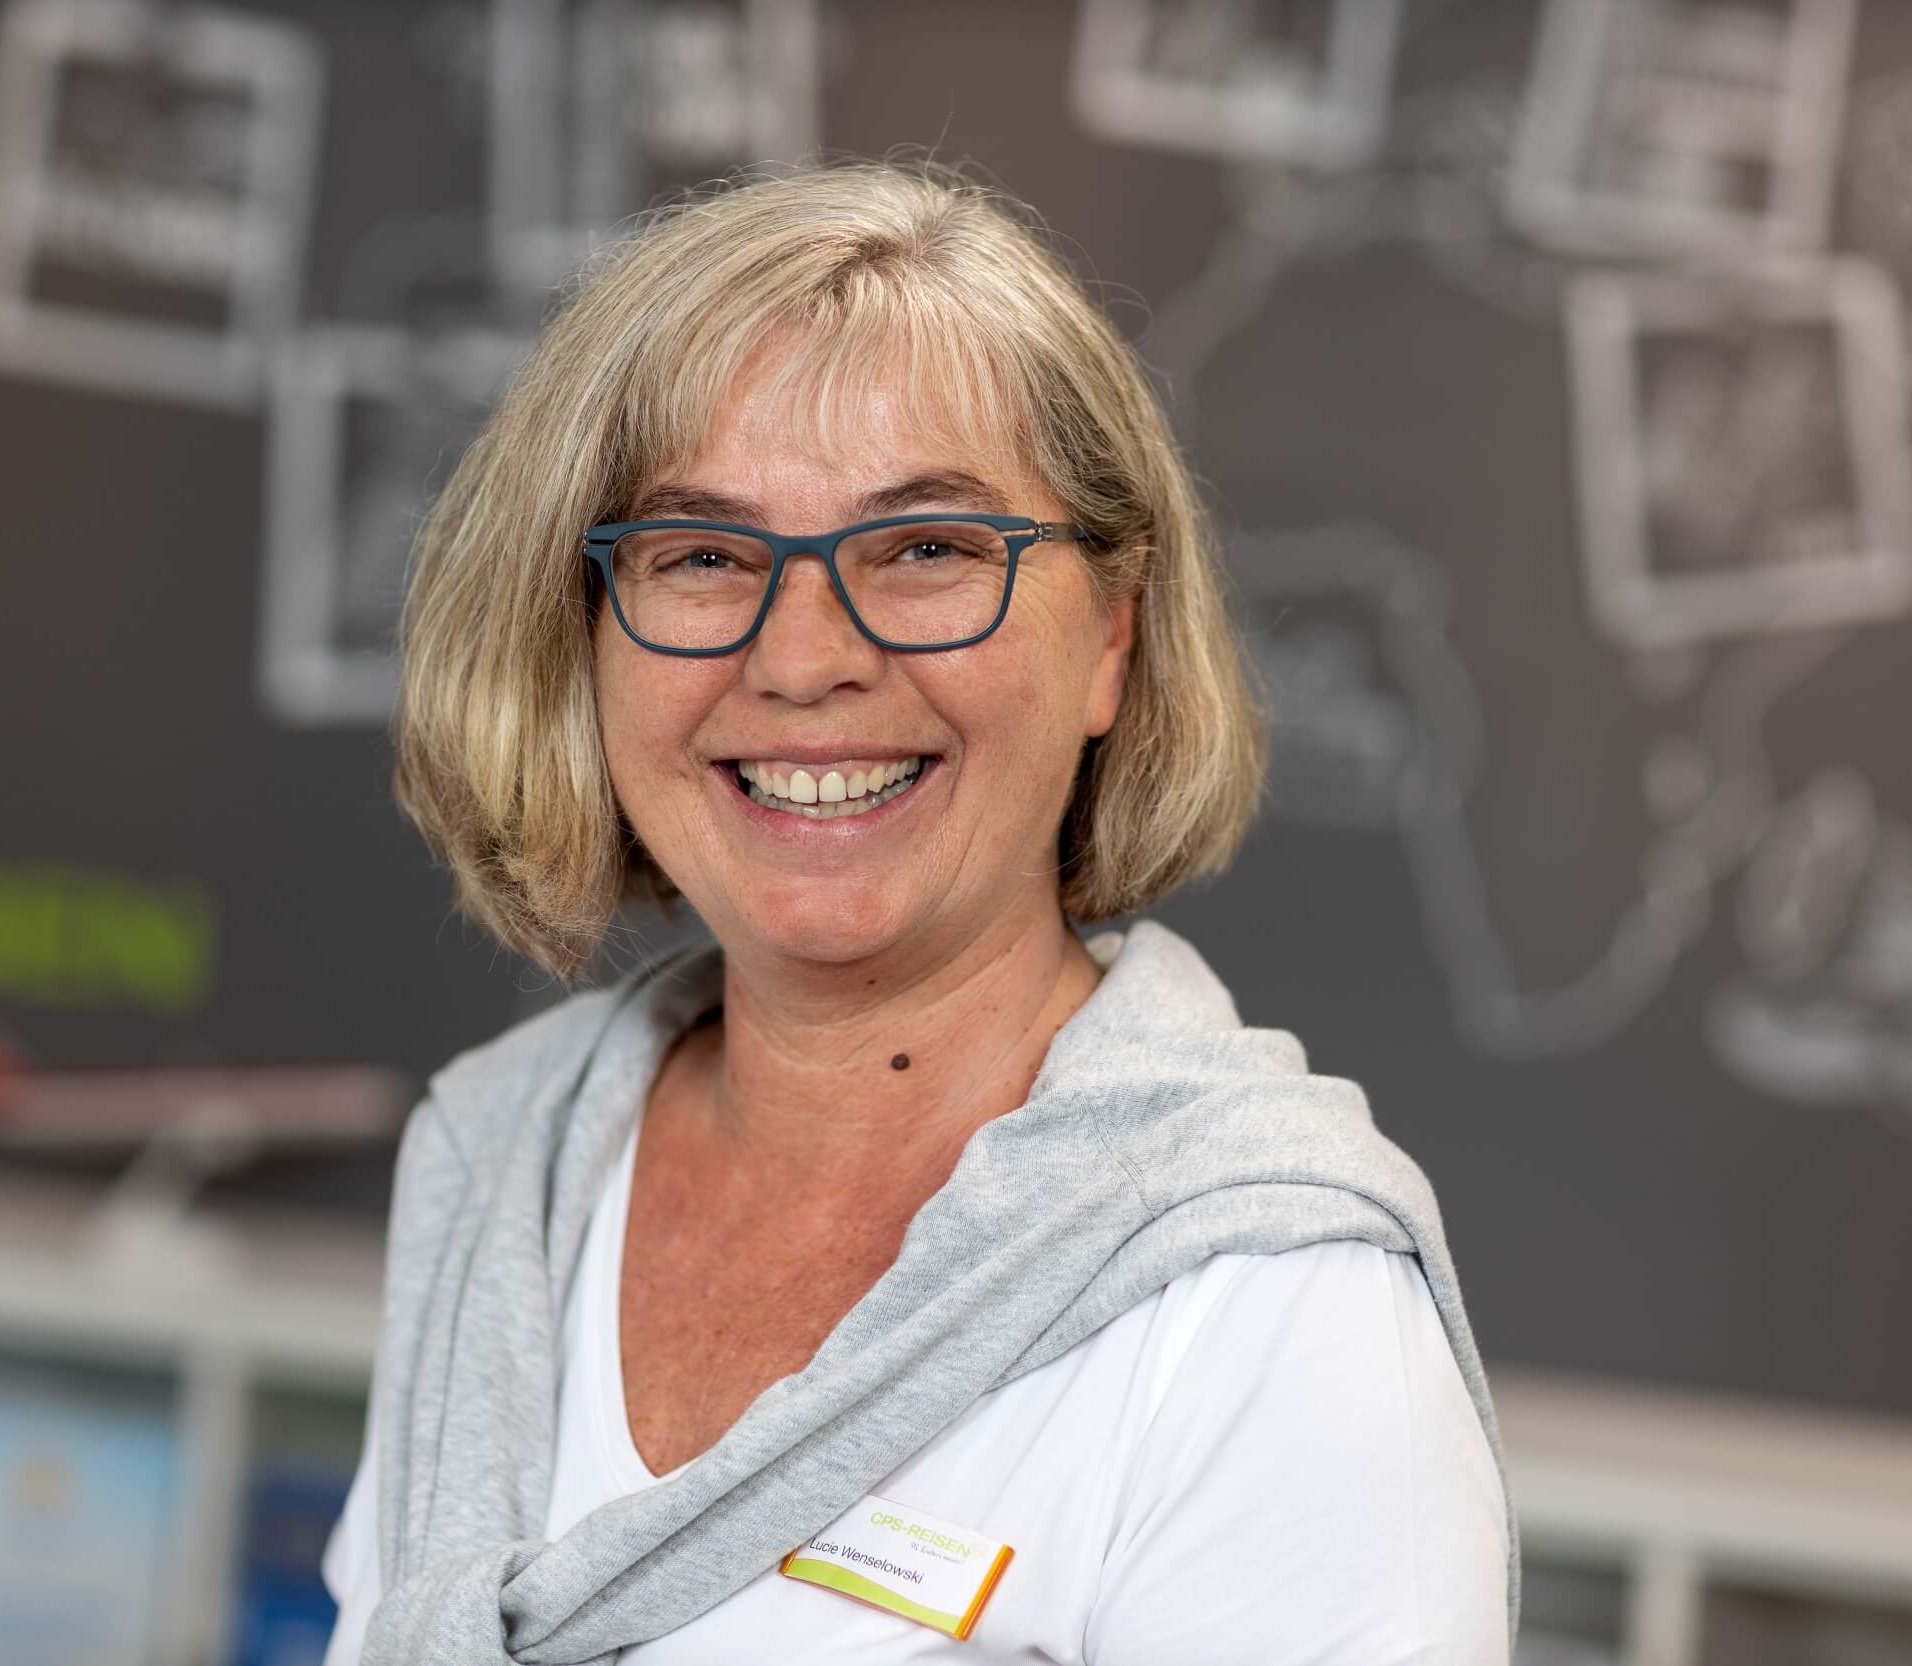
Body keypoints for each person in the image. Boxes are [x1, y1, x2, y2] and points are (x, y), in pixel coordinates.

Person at [320, 158, 1517, 1665]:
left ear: (1113, 635)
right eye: (702, 555)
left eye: (928, 548)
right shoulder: (500, 1165)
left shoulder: (1279, 1317)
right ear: (585, 637)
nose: (803, 659)